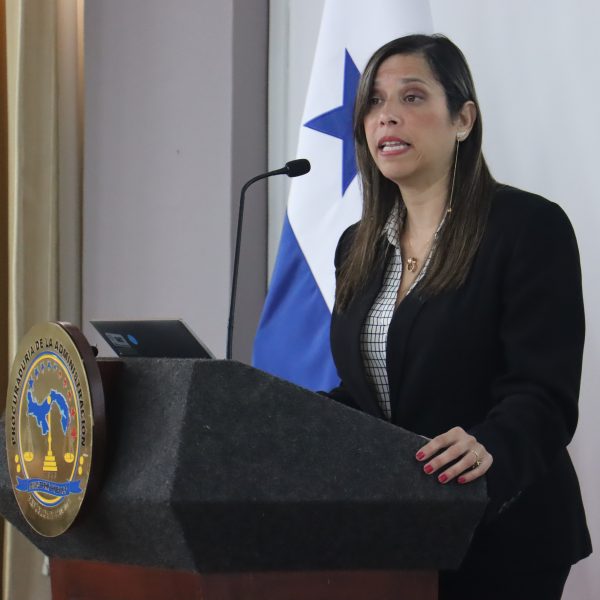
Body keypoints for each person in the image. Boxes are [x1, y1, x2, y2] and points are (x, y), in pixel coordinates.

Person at [326, 34, 591, 600]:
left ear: (463, 120)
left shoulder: (527, 227)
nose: (386, 116)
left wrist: (488, 445)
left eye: (412, 97)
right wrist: (274, 414)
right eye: (373, 102)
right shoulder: (356, 246)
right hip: (394, 535)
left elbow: (542, 393)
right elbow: (370, 394)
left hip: (504, 534)